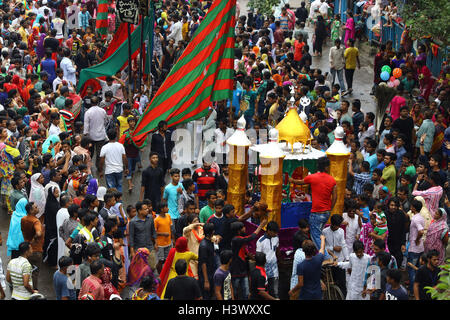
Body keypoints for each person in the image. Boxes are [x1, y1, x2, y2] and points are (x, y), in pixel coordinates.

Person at [289, 157, 336, 252]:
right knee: (319, 235)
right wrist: (330, 209)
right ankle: (324, 255)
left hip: (317, 213)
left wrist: (291, 180)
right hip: (326, 213)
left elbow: (300, 182)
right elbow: (335, 197)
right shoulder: (332, 180)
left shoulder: (313, 177)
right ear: (326, 167)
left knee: (316, 237)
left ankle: (325, 257)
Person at [230, 218, 268, 300]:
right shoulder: (236, 239)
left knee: (246, 293)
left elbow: (243, 249)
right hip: (236, 270)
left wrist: (249, 256)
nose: (245, 228)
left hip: (243, 269)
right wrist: (261, 225)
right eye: (243, 227)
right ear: (238, 230)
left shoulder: (239, 238)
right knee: (235, 293)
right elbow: (252, 237)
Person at [288, 235, 327, 300]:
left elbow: (300, 283)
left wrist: (292, 290)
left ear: (303, 250)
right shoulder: (318, 259)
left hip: (305, 295)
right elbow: (322, 248)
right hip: (317, 294)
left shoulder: (301, 266)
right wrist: (322, 239)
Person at [128, 201, 157, 271]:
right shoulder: (133, 222)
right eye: (145, 209)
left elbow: (153, 231)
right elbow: (131, 237)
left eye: (147, 208)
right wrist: (132, 251)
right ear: (139, 211)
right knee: (140, 269)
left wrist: (156, 242)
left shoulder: (150, 218)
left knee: (152, 267)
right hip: (139, 249)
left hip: (149, 247)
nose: (148, 210)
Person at [256, 221, 280, 298]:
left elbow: (277, 250)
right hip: (264, 270)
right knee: (264, 292)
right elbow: (258, 256)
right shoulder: (260, 241)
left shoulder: (276, 238)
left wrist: (280, 260)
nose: (275, 234)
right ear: (269, 231)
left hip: (274, 270)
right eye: (274, 232)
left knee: (275, 292)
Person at [43, 187, 61, 268]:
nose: (58, 194)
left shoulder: (52, 201)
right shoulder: (52, 205)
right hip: (52, 228)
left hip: (52, 227)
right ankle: (52, 263)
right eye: (56, 193)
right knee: (52, 246)